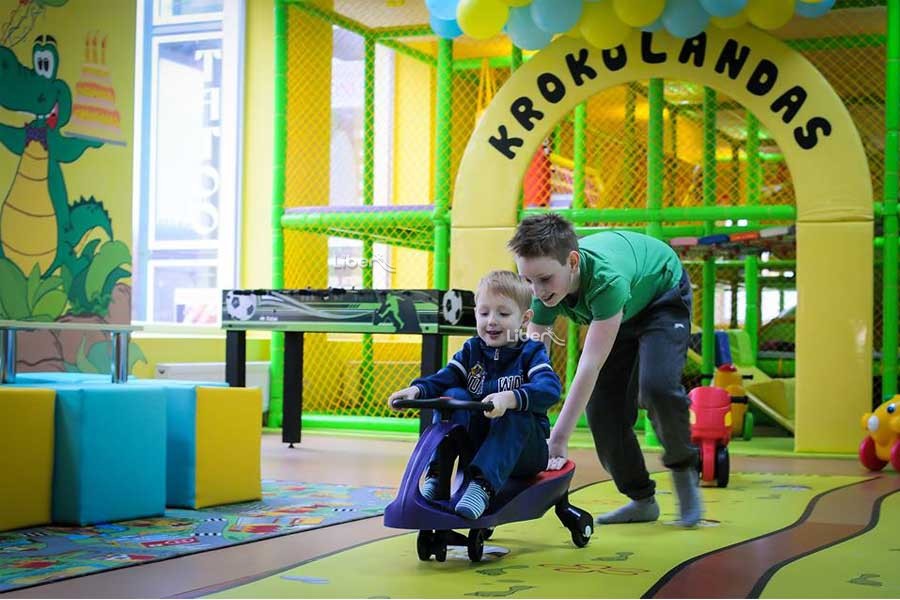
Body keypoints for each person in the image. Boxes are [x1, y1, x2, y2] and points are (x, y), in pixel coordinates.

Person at [508, 213, 702, 527]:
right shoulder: (542, 289)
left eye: (543, 279)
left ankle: (684, 469)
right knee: (602, 410)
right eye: (527, 280)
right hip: (619, 313)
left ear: (572, 262)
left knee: (656, 387)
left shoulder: (605, 281)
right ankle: (642, 499)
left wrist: (558, 438)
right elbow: (533, 362)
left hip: (660, 296)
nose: (537, 291)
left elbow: (591, 363)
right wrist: (521, 413)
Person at [388, 270, 562, 520]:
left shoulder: (530, 352)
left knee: (515, 414)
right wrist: (416, 389)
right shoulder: (472, 350)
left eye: (503, 314)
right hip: (480, 446)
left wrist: (510, 398)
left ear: (524, 319)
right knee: (453, 394)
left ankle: (482, 487)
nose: (491, 321)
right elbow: (444, 377)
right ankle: (438, 476)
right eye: (484, 313)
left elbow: (550, 389)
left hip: (525, 453)